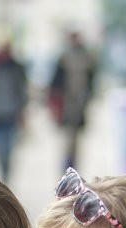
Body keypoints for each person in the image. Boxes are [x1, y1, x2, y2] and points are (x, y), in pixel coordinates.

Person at [48, 31, 97, 170]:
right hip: (69, 107)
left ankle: (70, 169)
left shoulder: (82, 59)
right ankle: (69, 169)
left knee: (71, 142)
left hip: (75, 107)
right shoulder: (81, 59)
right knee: (70, 142)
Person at [0, 40, 28, 183]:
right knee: (0, 148)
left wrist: (22, 112)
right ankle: (2, 173)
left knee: (8, 148)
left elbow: (22, 91)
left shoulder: (17, 67)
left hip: (12, 113)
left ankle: (6, 175)